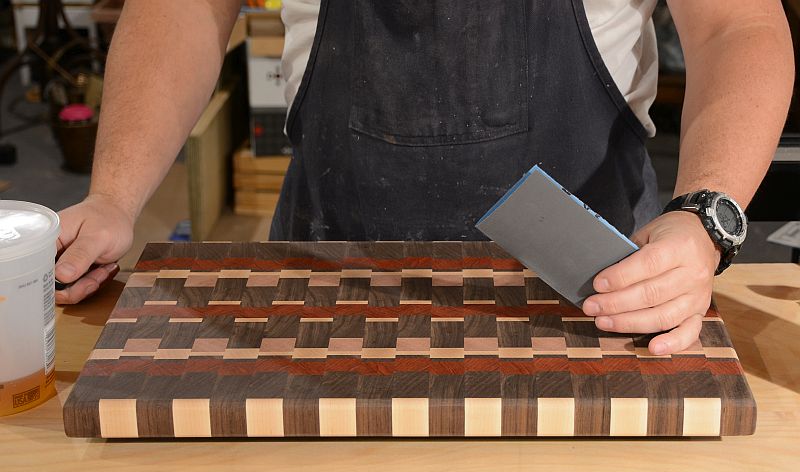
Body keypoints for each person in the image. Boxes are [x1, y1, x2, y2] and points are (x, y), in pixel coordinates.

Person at [54, 0, 794, 356]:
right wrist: (114, 195)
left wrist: (704, 216)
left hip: (598, 302)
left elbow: (739, 26)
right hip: (328, 297)